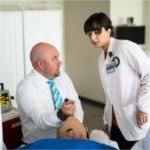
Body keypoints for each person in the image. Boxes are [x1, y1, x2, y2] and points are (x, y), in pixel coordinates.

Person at [84, 12, 150, 149]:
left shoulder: (125, 47)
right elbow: (110, 93)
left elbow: (148, 75)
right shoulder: (101, 59)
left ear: (109, 30)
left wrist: (143, 107)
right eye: (89, 34)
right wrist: (107, 120)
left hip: (135, 115)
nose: (93, 37)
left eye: (97, 32)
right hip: (116, 121)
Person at [16, 42, 84, 143]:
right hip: (41, 145)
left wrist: (75, 127)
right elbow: (40, 120)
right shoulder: (25, 87)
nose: (60, 62)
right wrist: (61, 114)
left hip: (68, 141)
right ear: (41, 64)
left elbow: (76, 102)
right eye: (54, 58)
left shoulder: (63, 76)